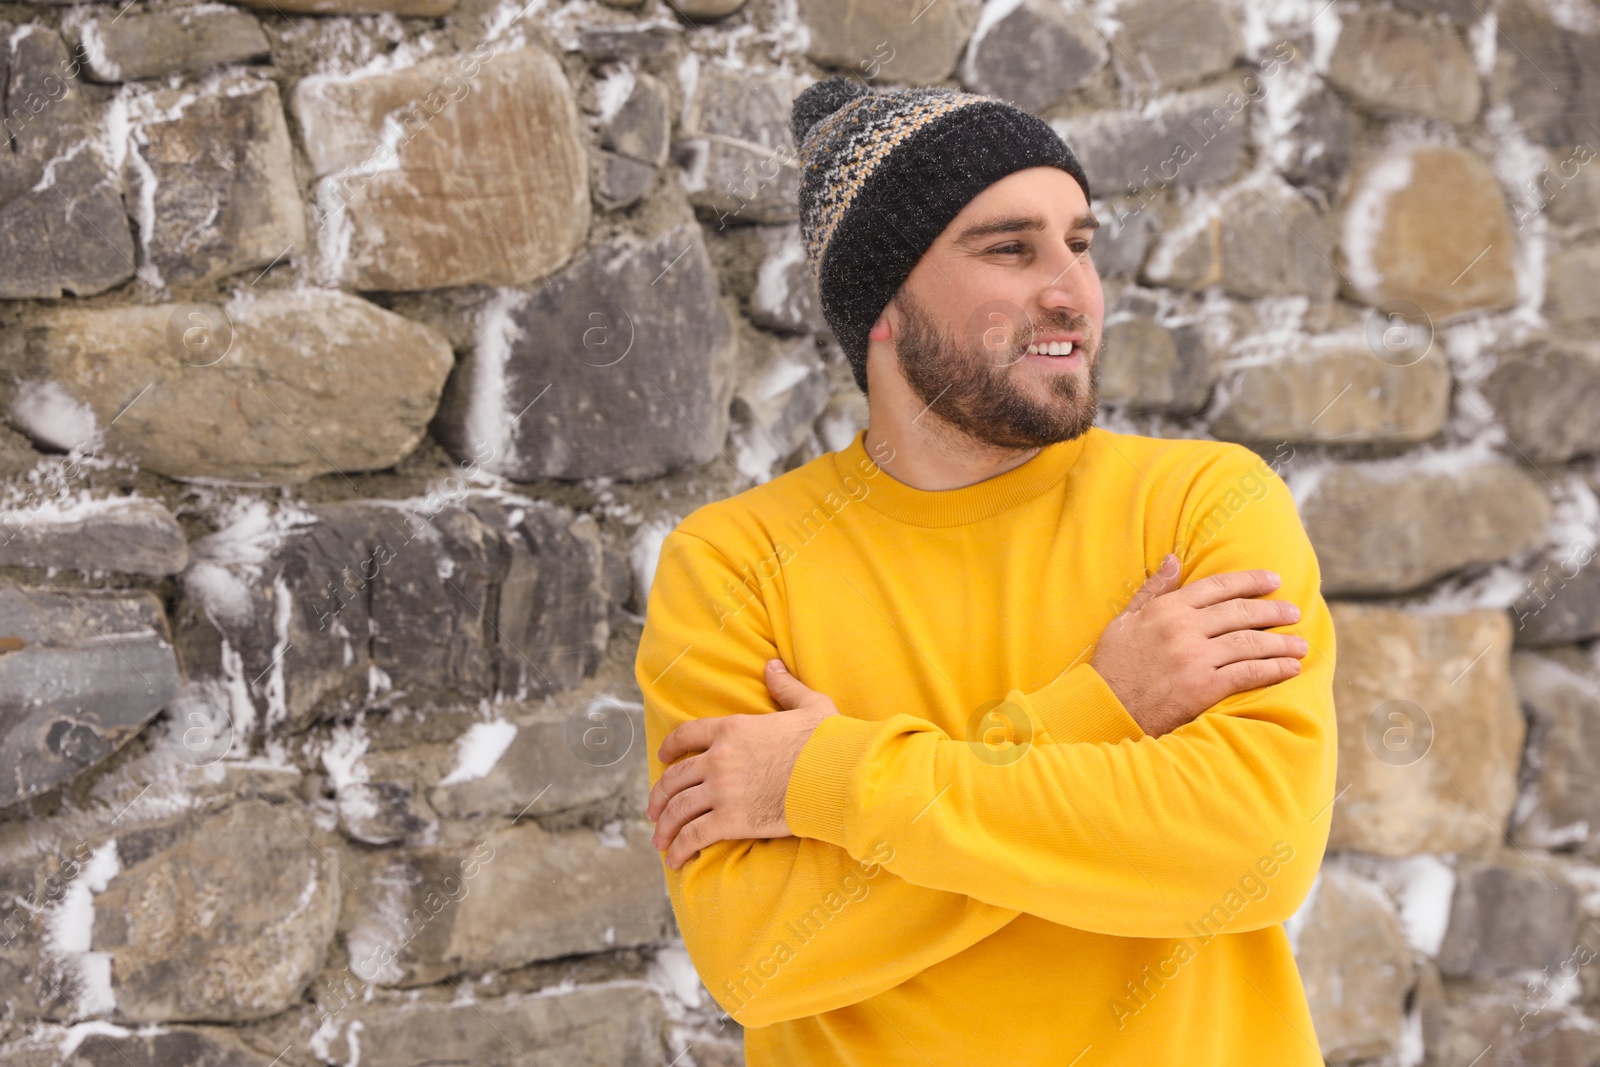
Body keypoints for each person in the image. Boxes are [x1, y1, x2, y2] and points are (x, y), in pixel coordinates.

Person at [635, 75, 1336, 1066]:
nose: (1071, 288)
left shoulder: (1200, 505)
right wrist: (1101, 707)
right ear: (884, 304)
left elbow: (1250, 852)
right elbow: (757, 954)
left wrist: (825, 778)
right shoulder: (738, 564)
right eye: (1011, 247)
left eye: (1079, 244)